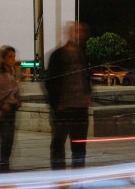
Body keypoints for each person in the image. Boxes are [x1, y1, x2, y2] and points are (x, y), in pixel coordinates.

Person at [45, 21, 92, 170]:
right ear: (69, 33)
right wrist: (56, 103)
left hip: (80, 108)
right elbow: (50, 81)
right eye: (76, 31)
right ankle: (59, 177)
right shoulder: (58, 55)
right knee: (58, 144)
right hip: (63, 109)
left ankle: (77, 176)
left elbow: (86, 77)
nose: (80, 34)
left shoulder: (81, 53)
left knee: (79, 146)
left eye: (81, 30)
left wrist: (87, 94)